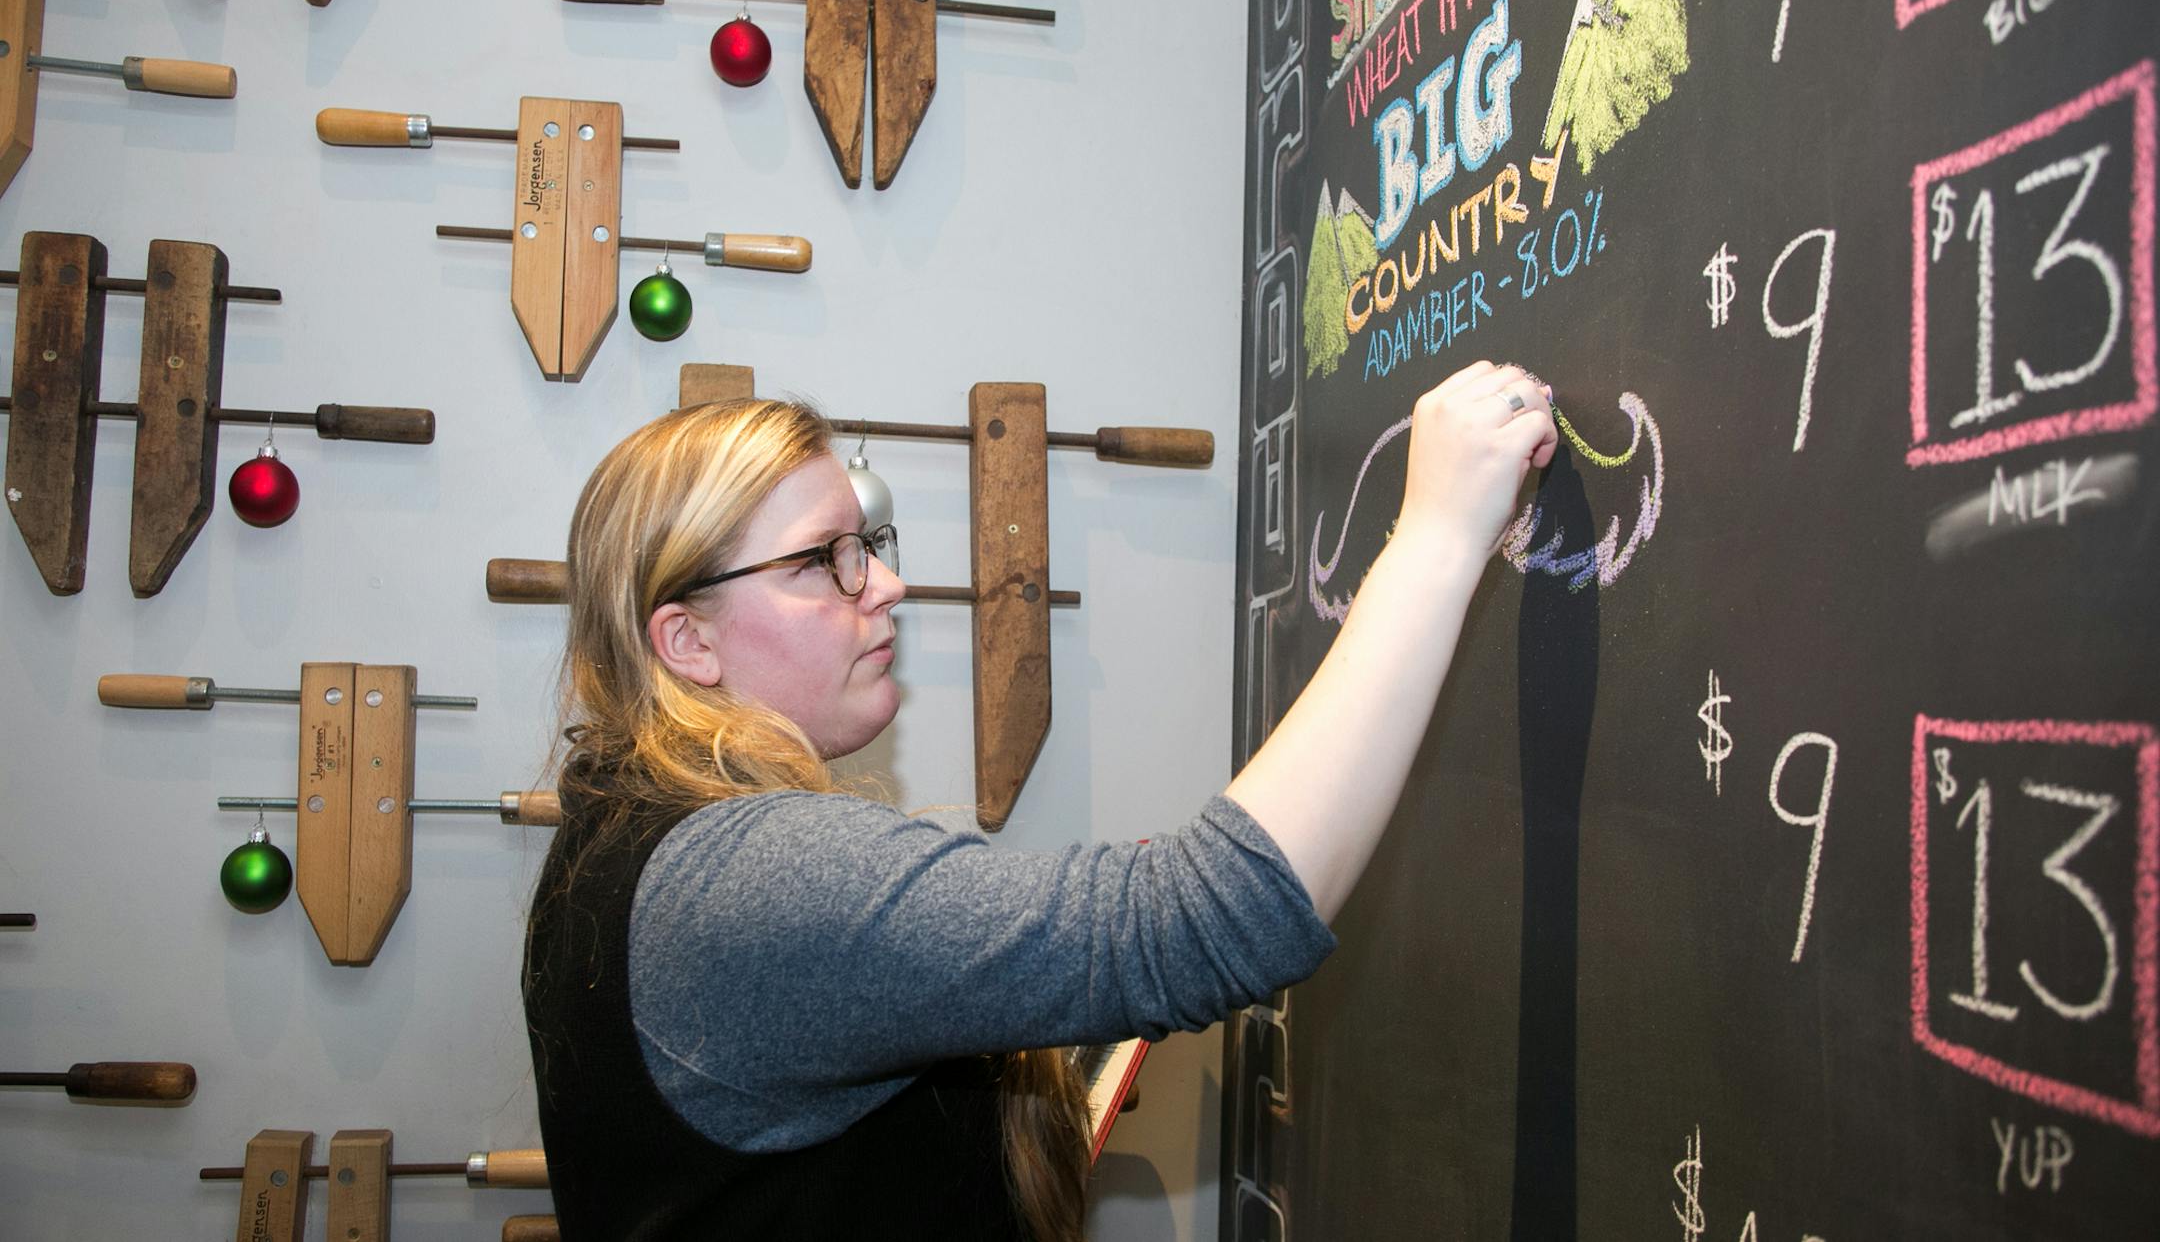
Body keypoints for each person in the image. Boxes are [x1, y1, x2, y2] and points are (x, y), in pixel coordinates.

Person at [523, 361, 1558, 1240]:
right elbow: (1205, 916)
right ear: (686, 642)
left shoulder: (617, 836)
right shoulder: (738, 879)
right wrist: (1437, 535)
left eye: (867, 545)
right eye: (820, 562)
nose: (882, 587)